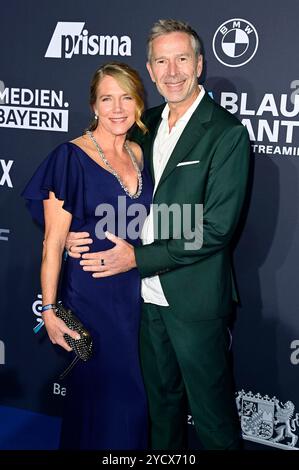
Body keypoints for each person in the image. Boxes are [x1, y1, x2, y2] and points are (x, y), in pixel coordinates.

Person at [66, 19, 250, 450]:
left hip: (195, 299)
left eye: (182, 59)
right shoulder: (141, 125)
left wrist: (139, 259)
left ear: (199, 64)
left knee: (211, 417)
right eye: (161, 61)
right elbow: (113, 188)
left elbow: (217, 228)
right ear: (149, 70)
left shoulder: (226, 133)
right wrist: (77, 234)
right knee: (159, 411)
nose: (172, 71)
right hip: (141, 300)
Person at [22, 62, 153, 450]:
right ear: (93, 106)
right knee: (106, 399)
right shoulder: (70, 157)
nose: (117, 108)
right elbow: (52, 242)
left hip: (137, 295)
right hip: (93, 297)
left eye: (126, 97)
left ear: (139, 104)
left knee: (133, 401)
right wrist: (48, 310)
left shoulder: (140, 154)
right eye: (106, 98)